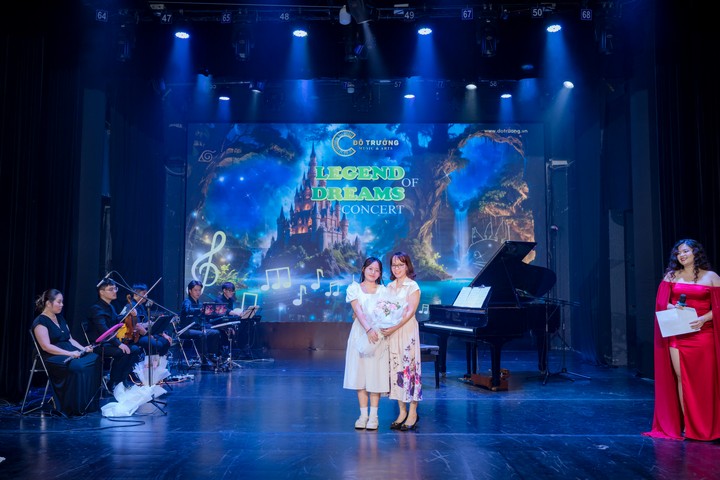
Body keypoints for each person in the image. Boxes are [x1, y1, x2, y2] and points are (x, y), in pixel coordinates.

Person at [643, 239, 720, 441]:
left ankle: (707, 424)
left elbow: (719, 307)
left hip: (703, 334)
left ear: (696, 252)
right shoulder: (672, 276)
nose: (681, 255)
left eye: (685, 251)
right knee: (681, 378)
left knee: (705, 380)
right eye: (678, 253)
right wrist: (674, 307)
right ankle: (688, 424)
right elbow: (662, 303)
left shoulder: (711, 277)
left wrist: (703, 319)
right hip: (679, 333)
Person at [31, 289, 102, 416]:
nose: (62, 305)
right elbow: (46, 347)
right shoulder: (40, 322)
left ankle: (88, 403)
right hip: (52, 356)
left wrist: (83, 349)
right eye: (59, 302)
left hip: (68, 351)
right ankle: (73, 406)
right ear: (48, 303)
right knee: (78, 366)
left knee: (94, 358)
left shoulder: (60, 318)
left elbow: (70, 339)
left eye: (62, 302)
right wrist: (69, 354)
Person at [343, 256, 388, 431]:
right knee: (360, 374)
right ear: (363, 269)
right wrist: (368, 329)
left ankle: (374, 416)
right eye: (370, 269)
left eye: (377, 270)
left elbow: (387, 313)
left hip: (377, 335)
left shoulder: (384, 291)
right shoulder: (354, 288)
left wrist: (376, 330)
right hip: (360, 333)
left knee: (375, 374)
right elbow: (358, 312)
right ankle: (363, 415)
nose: (373, 273)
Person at [380, 251, 423, 431]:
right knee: (396, 369)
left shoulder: (412, 286)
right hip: (391, 332)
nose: (396, 268)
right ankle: (401, 411)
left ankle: (413, 412)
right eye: (394, 265)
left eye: (400, 265)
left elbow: (409, 313)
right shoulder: (389, 287)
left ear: (407, 266)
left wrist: (393, 328)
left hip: (406, 331)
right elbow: (384, 309)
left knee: (409, 369)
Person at [86, 279, 143, 391]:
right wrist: (119, 344)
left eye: (115, 288)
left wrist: (129, 314)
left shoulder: (110, 306)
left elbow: (117, 320)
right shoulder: (96, 309)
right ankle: (113, 382)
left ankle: (123, 379)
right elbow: (105, 331)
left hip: (110, 342)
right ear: (102, 292)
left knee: (135, 349)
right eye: (111, 289)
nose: (115, 291)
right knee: (121, 351)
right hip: (99, 344)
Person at [119, 283, 173, 356]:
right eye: (144, 293)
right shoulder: (130, 306)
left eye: (146, 293)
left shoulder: (141, 306)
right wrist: (148, 334)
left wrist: (163, 334)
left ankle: (159, 361)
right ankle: (149, 361)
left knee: (166, 341)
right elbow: (136, 326)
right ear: (135, 294)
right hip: (135, 337)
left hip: (146, 334)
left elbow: (148, 323)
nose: (146, 296)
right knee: (157, 344)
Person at [179, 280, 221, 366]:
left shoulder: (200, 303)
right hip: (186, 329)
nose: (198, 292)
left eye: (199, 290)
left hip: (197, 328)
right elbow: (188, 310)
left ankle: (211, 355)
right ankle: (204, 359)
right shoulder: (187, 302)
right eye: (195, 290)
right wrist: (200, 310)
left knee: (215, 332)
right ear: (190, 291)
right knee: (202, 334)